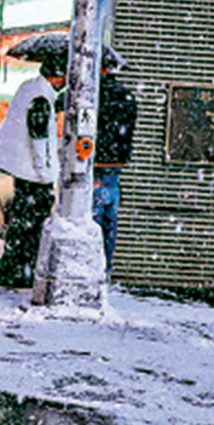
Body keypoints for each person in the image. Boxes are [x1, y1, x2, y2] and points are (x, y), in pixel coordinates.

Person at [0, 54, 66, 289]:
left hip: (21, 174)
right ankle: (22, 276)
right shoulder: (41, 99)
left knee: (20, 226)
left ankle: (12, 272)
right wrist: (46, 176)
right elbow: (39, 139)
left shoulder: (30, 88)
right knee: (31, 230)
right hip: (33, 177)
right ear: (56, 77)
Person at [93, 53, 137, 273]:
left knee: (93, 219)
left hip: (96, 165)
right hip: (117, 166)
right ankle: (105, 268)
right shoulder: (127, 96)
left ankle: (93, 266)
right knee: (110, 219)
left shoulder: (92, 96)